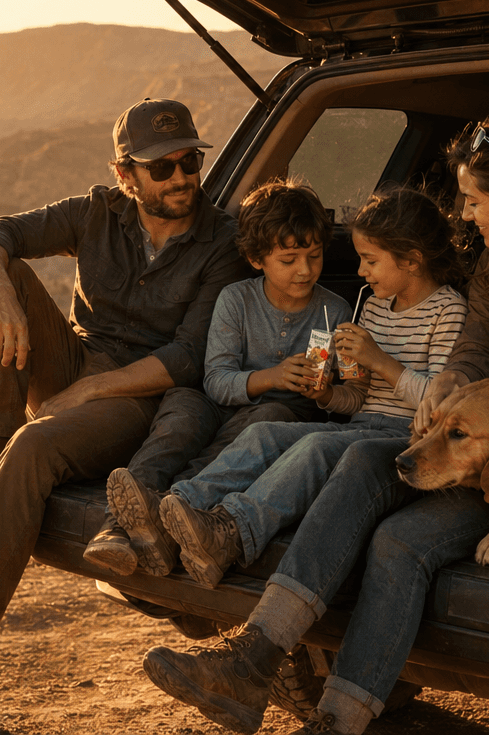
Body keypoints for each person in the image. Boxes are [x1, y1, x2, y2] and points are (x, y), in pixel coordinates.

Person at [140, 117, 489, 735]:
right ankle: (252, 660)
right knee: (363, 463)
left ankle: (334, 720)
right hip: (481, 431)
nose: (466, 214)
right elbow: (474, 351)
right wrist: (445, 385)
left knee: (398, 542)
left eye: (475, 199)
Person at [0, 97, 251, 716]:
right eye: (162, 168)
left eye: (189, 163)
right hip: (75, 361)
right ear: (126, 175)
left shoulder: (220, 239)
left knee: (33, 445)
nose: (181, 179)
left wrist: (91, 390)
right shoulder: (97, 212)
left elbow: (190, 358)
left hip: (140, 392)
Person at [115, 186, 469, 590]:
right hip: (361, 425)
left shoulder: (448, 310)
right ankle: (173, 509)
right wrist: (324, 395)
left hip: (407, 437)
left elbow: (442, 411)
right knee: (265, 433)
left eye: (370, 261)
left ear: (411, 259)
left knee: (314, 446)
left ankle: (230, 532)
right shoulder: (370, 306)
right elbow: (355, 397)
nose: (360, 272)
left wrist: (381, 362)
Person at [84, 179, 353, 577]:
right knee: (181, 410)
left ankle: (170, 518)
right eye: (289, 259)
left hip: (271, 416)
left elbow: (348, 394)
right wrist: (273, 375)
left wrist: (326, 391)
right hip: (220, 399)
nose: (305, 270)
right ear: (258, 259)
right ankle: (118, 526)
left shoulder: (336, 311)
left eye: (314, 257)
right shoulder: (237, 299)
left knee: (267, 420)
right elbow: (216, 380)